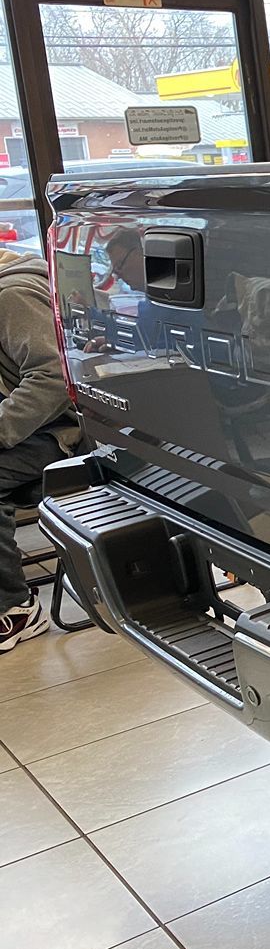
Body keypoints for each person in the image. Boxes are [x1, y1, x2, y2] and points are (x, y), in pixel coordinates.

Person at [0, 247, 81, 653]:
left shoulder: (10, 296)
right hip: (30, 431)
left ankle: (15, 608)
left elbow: (51, 380)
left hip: (60, 435)